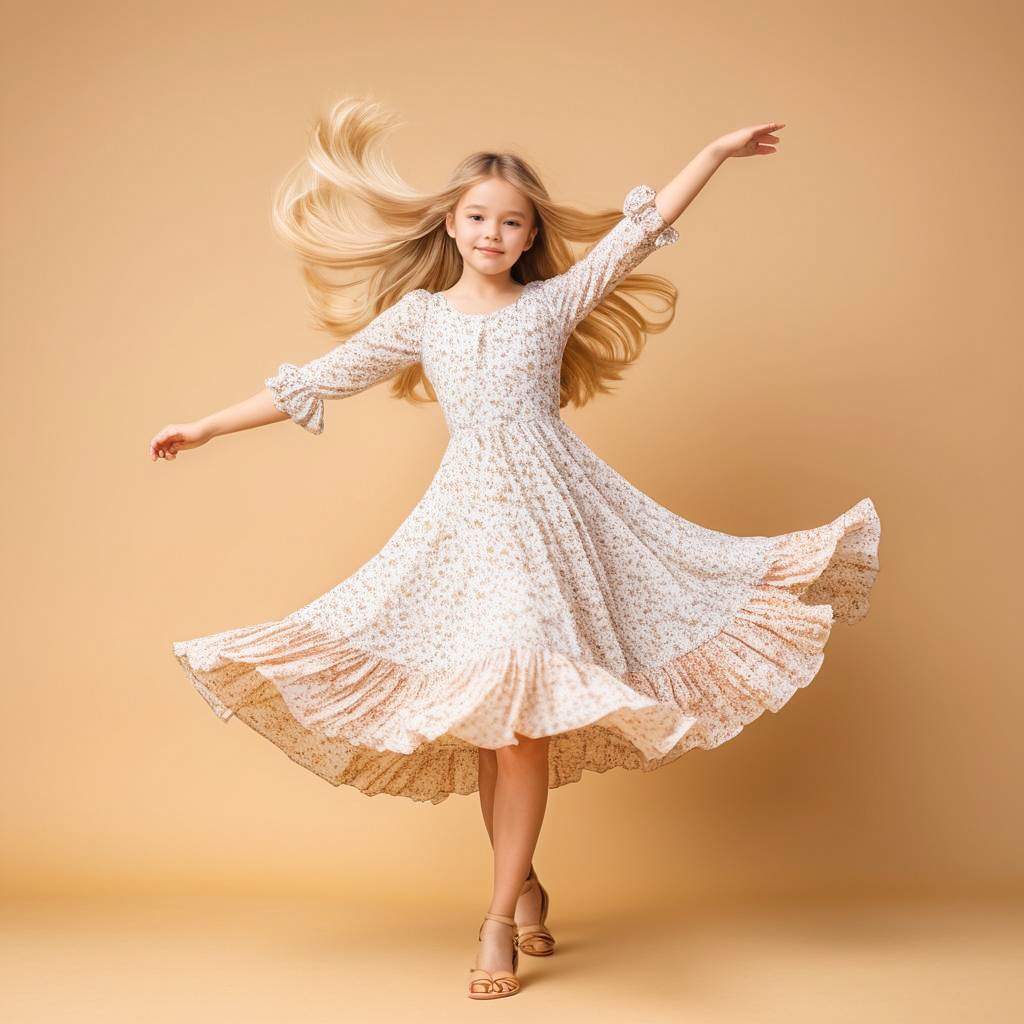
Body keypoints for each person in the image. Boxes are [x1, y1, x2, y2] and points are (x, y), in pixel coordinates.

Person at [151, 97, 881, 1001]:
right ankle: (524, 881)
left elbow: (639, 231)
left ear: (529, 235)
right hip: (465, 531)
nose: (493, 232)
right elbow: (316, 381)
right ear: (452, 227)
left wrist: (717, 152)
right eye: (478, 218)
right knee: (497, 728)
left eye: (512, 221)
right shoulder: (423, 319)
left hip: (558, 518)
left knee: (525, 725)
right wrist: (207, 427)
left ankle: (497, 918)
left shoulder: (553, 301)